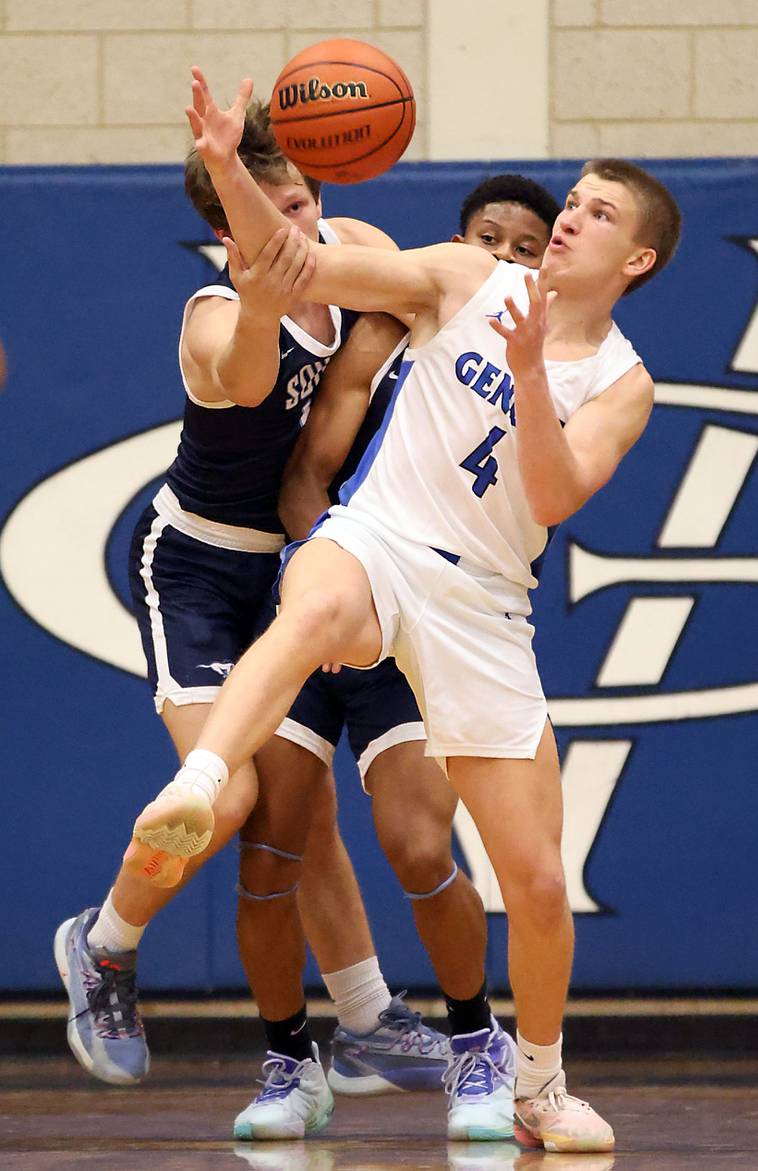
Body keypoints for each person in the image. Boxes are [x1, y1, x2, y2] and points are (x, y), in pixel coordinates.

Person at [128, 69, 681, 1154]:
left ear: (635, 262)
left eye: (595, 214)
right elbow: (297, 263)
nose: (569, 217)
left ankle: (535, 1082)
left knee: (529, 876)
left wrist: (527, 371)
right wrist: (236, 174)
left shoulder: (622, 379)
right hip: (378, 538)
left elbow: (556, 492)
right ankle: (199, 778)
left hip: (481, 601)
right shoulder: (465, 273)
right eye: (569, 201)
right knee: (312, 597)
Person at [54, 98, 446, 1103]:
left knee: (299, 802)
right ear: (233, 226)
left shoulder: (349, 243)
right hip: (193, 570)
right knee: (225, 795)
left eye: (306, 201)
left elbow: (418, 292)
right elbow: (249, 372)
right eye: (273, 210)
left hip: (295, 567)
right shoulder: (219, 317)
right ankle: (105, 945)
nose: (300, 226)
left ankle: (361, 1019)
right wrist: (268, 294)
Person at [230, 176, 561, 1142]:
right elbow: (306, 478)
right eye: (487, 236)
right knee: (270, 842)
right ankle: (292, 1060)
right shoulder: (390, 328)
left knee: (420, 844)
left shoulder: (543, 370)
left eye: (526, 245)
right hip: (336, 587)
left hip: (431, 616)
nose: (503, 254)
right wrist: (332, 581)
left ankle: (474, 1043)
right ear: (453, 246)